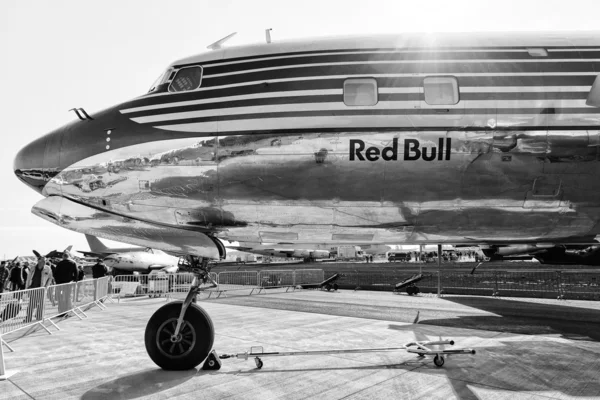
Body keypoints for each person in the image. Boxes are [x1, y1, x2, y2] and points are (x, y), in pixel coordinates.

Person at [24, 256, 53, 323]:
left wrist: (46, 286)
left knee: (41, 304)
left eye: (45, 260)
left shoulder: (48, 268)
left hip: (42, 289)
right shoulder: (33, 268)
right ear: (38, 261)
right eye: (43, 260)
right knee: (31, 304)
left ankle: (39, 317)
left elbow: (50, 278)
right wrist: (27, 287)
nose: (44, 261)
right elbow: (28, 278)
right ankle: (28, 318)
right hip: (33, 288)